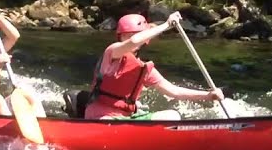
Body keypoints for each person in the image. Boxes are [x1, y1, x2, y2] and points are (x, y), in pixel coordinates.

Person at [85, 12, 225, 120]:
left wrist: (208, 95)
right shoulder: (113, 52)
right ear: (120, 37)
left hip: (124, 118)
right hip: (101, 117)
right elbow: (134, 41)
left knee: (172, 116)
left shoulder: (143, 69)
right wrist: (166, 24)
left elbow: (173, 91)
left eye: (134, 34)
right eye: (125, 35)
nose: (130, 38)